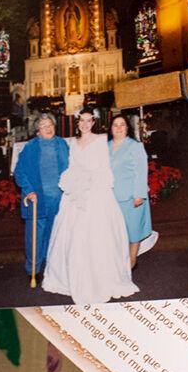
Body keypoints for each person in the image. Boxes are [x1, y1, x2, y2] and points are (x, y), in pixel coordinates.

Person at [43, 108, 138, 303]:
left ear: (93, 122)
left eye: (89, 121)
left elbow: (105, 165)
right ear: (77, 123)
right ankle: (71, 276)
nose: (85, 124)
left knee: (98, 234)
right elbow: (71, 166)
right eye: (82, 121)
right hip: (76, 193)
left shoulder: (101, 140)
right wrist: (74, 181)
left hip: (96, 191)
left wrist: (92, 180)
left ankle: (102, 277)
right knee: (73, 234)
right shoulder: (73, 143)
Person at [13, 114, 69, 277]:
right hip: (38, 199)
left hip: (60, 200)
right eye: (44, 126)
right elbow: (19, 172)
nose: (48, 128)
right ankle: (34, 269)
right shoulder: (30, 148)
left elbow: (72, 168)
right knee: (35, 238)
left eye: (50, 124)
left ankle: (52, 268)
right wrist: (29, 190)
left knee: (56, 235)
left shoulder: (62, 144)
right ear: (37, 131)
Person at [108, 115, 152, 268]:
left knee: (134, 231)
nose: (119, 128)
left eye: (122, 125)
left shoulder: (135, 146)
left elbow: (141, 171)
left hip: (132, 197)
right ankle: (119, 261)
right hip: (111, 198)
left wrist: (139, 194)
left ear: (127, 128)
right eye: (115, 125)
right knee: (117, 232)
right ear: (110, 128)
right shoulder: (105, 147)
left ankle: (132, 261)